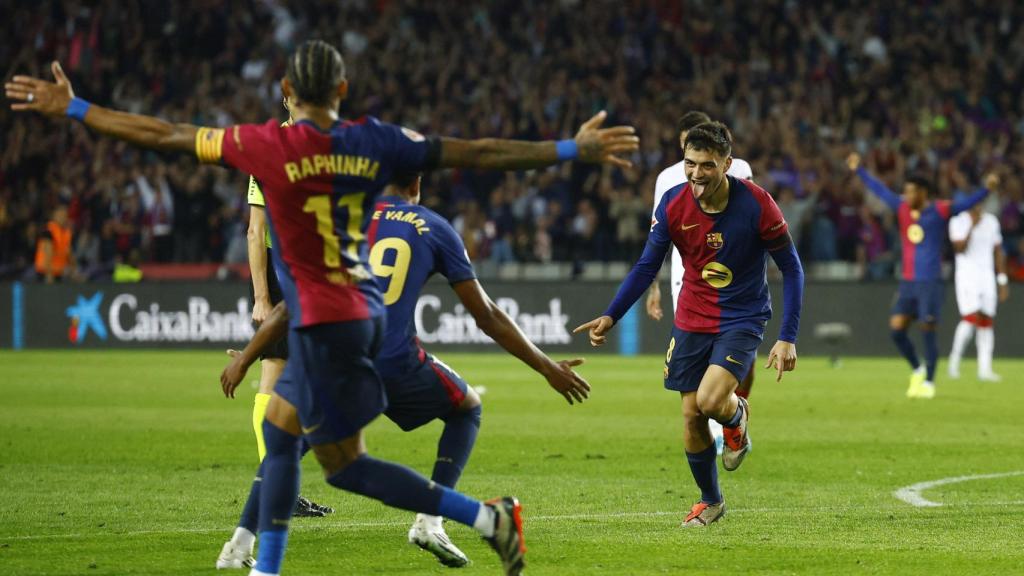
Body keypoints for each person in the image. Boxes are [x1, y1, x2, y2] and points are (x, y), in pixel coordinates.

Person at [6, 41, 637, 576]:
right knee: (280, 436)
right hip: (346, 316)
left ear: (285, 88)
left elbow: (163, 134)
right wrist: (566, 150)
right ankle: (263, 566)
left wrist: (78, 108)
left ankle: (484, 517)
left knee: (342, 465)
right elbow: (476, 151)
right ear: (341, 86)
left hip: (325, 321)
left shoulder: (260, 145)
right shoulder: (376, 142)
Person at [219, 172, 590, 569]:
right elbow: (487, 314)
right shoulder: (432, 226)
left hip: (321, 356)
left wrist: (246, 358)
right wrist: (547, 367)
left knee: (287, 444)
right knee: (464, 408)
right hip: (389, 360)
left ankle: (242, 546)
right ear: (416, 182)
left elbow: (292, 304)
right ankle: (440, 520)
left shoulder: (343, 222)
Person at [575, 122, 804, 527]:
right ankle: (711, 501)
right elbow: (648, 265)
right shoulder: (672, 203)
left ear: (727, 164)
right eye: (690, 163)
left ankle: (735, 417)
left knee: (710, 402)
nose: (697, 174)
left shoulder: (757, 204)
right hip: (691, 316)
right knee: (690, 415)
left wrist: (787, 337)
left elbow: (792, 267)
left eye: (707, 166)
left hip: (742, 316)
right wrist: (612, 314)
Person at [645, 111, 755, 454]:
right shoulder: (667, 179)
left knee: (737, 366)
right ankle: (720, 429)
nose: (693, 168)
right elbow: (656, 235)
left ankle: (733, 412)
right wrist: (654, 286)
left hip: (736, 282)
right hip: (687, 279)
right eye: (685, 151)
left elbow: (753, 219)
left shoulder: (740, 172)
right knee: (696, 387)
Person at [244, 100, 332, 518]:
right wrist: (262, 296)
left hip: (317, 275)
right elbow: (256, 229)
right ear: (286, 100)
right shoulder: (269, 149)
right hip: (280, 275)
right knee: (274, 375)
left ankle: (278, 483)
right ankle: (278, 486)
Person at [847, 153, 993, 399]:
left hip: (930, 283)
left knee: (927, 329)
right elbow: (880, 190)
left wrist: (986, 190)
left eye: (912, 191)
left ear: (924, 192)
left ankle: (929, 382)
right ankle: (917, 367)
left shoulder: (940, 210)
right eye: (906, 191)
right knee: (896, 330)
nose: (907, 196)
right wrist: (859, 170)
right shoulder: (902, 208)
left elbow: (966, 205)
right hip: (908, 282)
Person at [947, 199, 1010, 381]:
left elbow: (998, 251)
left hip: (987, 277)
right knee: (970, 318)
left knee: (986, 321)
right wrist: (972, 227)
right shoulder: (958, 221)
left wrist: (1002, 280)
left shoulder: (991, 221)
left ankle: (985, 369)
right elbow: (959, 249)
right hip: (967, 277)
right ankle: (954, 362)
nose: (978, 207)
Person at [35, 204, 75, 283]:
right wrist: (49, 274)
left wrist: (75, 269)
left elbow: (69, 252)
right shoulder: (48, 231)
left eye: (64, 215)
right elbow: (47, 252)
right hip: (45, 272)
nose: (63, 217)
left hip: (58, 272)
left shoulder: (66, 232)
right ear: (54, 215)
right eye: (60, 214)